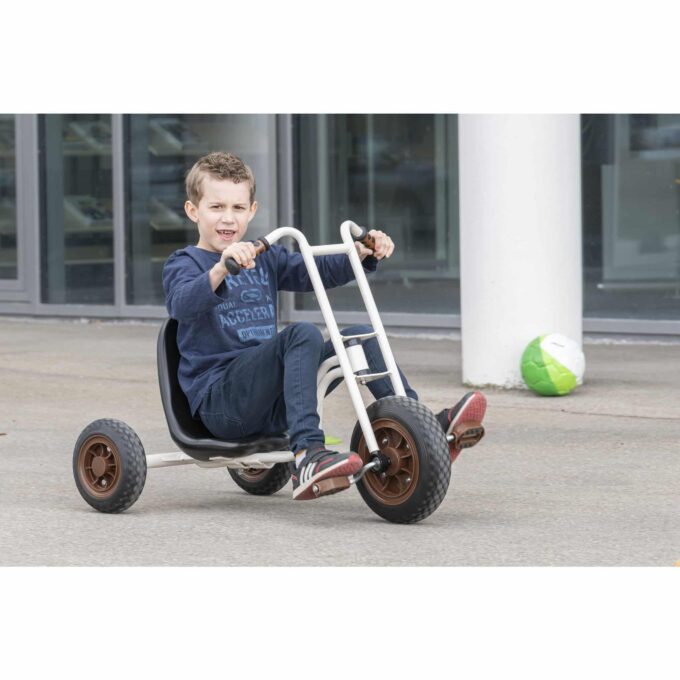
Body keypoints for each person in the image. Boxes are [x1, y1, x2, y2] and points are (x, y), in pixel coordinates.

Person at [163, 152, 486, 501]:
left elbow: (314, 271)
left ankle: (425, 429)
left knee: (358, 337)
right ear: (193, 211)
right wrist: (220, 269)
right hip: (222, 405)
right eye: (216, 207)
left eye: (238, 208)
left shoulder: (264, 257)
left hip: (270, 402)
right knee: (301, 333)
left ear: (252, 211)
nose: (228, 218)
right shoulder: (184, 263)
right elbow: (182, 304)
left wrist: (361, 253)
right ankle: (307, 454)